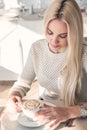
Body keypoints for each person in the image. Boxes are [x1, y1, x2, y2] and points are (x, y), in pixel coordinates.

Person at [6, 0, 87, 129]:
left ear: (74, 33)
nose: (53, 41)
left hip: (79, 115)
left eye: (63, 35)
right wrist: (13, 96)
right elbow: (22, 83)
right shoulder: (37, 48)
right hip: (45, 113)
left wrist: (69, 112)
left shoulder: (85, 53)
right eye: (49, 32)